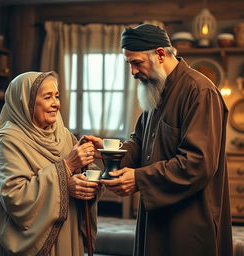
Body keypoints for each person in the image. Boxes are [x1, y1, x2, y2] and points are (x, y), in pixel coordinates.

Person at [85, 24, 233, 256]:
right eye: (129, 64)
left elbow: (198, 162)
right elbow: (140, 144)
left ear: (160, 54)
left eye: (136, 63)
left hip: (189, 220)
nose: (133, 72)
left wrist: (139, 179)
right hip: (156, 216)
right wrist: (106, 150)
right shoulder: (157, 89)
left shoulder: (200, 91)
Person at [0, 71, 101, 256]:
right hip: (31, 240)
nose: (56, 103)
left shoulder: (63, 134)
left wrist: (89, 180)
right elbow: (14, 197)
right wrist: (66, 170)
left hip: (68, 233)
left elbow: (85, 171)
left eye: (56, 96)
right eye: (47, 97)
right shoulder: (8, 141)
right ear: (26, 101)